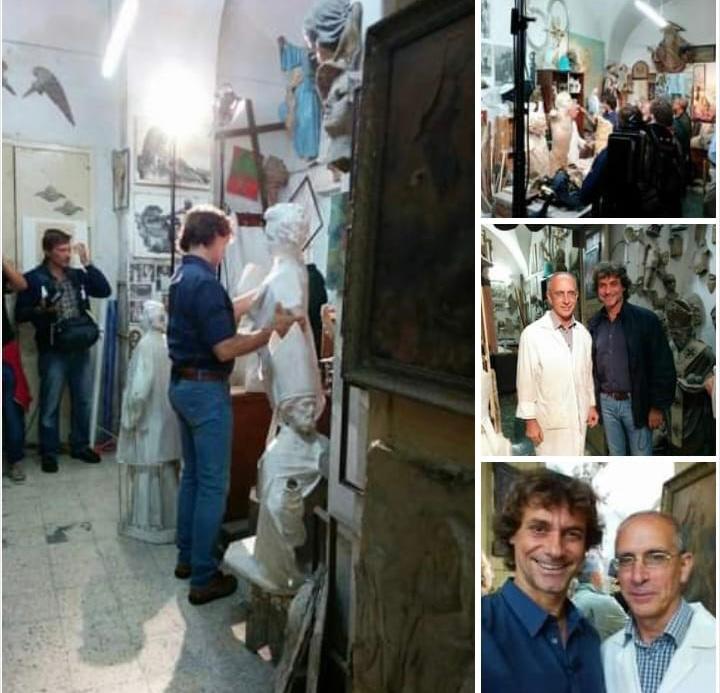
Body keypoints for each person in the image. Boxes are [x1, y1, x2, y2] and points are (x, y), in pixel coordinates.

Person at [167, 205, 302, 606]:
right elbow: (225, 348)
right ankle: (204, 577)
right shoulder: (204, 283)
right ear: (212, 237)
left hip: (183, 386)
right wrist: (270, 331)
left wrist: (258, 296)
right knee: (213, 485)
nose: (225, 250)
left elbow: (220, 311)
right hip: (204, 390)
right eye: (225, 242)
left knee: (193, 477)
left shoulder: (184, 276)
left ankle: (187, 558)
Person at [482, 469, 606, 693]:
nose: (555, 550)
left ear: (586, 546)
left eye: (572, 534)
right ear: (512, 534)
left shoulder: (590, 639)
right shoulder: (479, 630)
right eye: (539, 529)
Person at [15, 230, 111, 473]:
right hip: (53, 349)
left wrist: (87, 263)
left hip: (80, 345)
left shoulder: (76, 275)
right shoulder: (33, 278)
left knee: (83, 400)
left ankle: (80, 445)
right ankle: (49, 451)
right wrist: (40, 310)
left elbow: (104, 290)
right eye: (61, 250)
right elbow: (20, 315)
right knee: (50, 402)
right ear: (48, 252)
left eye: (68, 249)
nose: (67, 254)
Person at [602, 511, 716, 693]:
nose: (638, 576)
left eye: (656, 557)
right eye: (626, 560)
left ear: (684, 567)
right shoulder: (606, 654)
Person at [588, 262, 676, 456]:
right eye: (602, 285)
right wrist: (593, 403)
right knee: (616, 456)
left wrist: (657, 407)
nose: (608, 291)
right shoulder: (594, 324)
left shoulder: (646, 320)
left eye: (613, 284)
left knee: (641, 458)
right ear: (597, 290)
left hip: (636, 403)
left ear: (623, 287)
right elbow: (591, 368)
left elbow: (662, 365)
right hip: (606, 403)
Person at [516, 272, 598, 456]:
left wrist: (591, 405)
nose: (566, 300)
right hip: (549, 421)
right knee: (553, 464)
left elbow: (587, 374)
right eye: (560, 293)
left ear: (577, 296)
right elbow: (526, 381)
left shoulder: (584, 334)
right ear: (549, 297)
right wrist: (530, 421)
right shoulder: (532, 335)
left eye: (571, 293)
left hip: (579, 417)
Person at [3, 257, 31, 482]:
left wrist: (2, 261)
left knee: (11, 408)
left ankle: (15, 460)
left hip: (3, 350)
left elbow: (21, 285)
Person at [572, 552, 628, 641]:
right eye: (602, 573)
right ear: (595, 575)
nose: (604, 578)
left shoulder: (572, 600)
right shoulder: (604, 602)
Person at [671, 97, 691, 170]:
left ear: (680, 106)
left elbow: (683, 137)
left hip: (681, 151)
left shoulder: (684, 119)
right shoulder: (678, 117)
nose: (673, 104)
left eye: (675, 103)